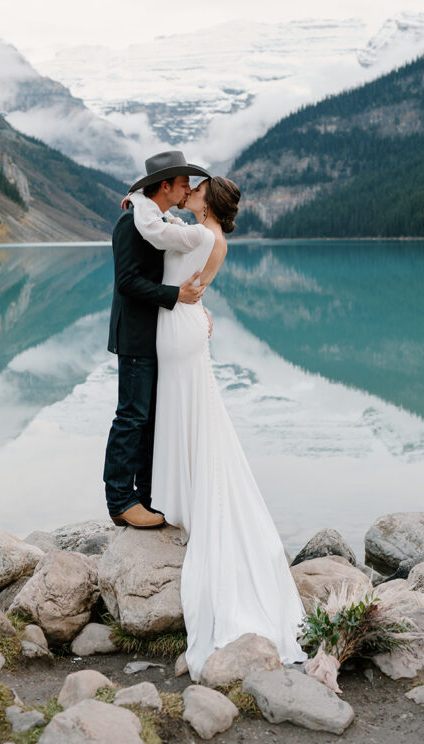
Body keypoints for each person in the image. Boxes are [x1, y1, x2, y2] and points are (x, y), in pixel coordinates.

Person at [127, 176, 308, 681]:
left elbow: (156, 233)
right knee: (194, 414)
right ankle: (182, 493)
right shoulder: (213, 238)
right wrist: (202, 311)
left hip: (177, 332)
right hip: (188, 325)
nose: (190, 190)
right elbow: (189, 272)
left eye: (197, 188)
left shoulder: (201, 235)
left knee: (186, 411)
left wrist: (139, 199)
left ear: (209, 202)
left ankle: (180, 497)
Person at [103, 150, 211, 530]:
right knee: (131, 417)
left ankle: (146, 497)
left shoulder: (158, 222)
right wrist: (175, 297)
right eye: (183, 184)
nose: (187, 190)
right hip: (135, 334)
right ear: (165, 186)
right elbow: (127, 282)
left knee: (149, 419)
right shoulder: (130, 225)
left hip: (158, 335)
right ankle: (119, 500)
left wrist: (195, 308)